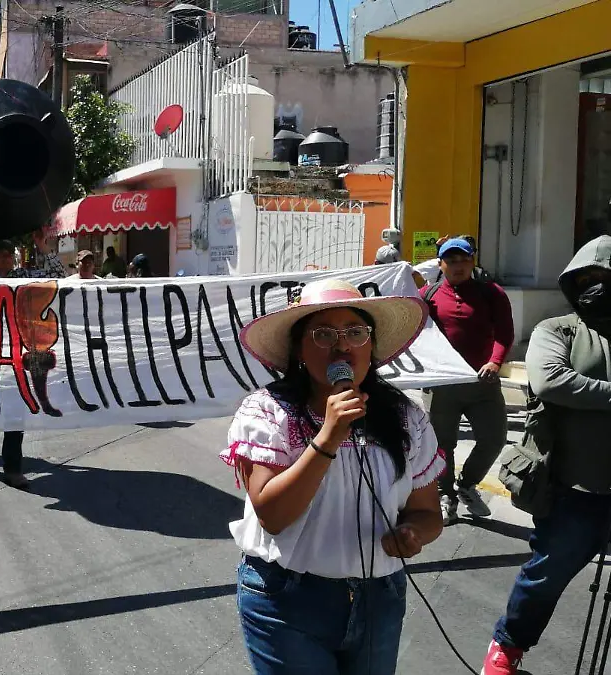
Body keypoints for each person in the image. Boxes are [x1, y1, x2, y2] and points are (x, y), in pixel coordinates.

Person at [224, 278, 445, 675]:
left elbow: (428, 513)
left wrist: (413, 533)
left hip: (380, 598)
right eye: (323, 334)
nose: (342, 346)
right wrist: (328, 435)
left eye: (355, 333)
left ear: (371, 346)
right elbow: (272, 514)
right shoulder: (266, 412)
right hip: (286, 602)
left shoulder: (405, 417)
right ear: (299, 350)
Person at [482, 236, 611, 674]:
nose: (596, 286)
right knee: (544, 578)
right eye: (586, 280)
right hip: (573, 490)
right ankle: (507, 648)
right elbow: (553, 380)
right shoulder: (557, 330)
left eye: (604, 278)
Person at [421, 237, 514, 523]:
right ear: (440, 264)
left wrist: (495, 362)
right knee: (442, 444)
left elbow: (505, 333)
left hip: (482, 382)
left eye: (463, 259)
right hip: (442, 386)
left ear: (472, 261)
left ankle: (467, 484)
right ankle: (445, 494)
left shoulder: (491, 293)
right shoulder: (427, 294)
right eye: (451, 260)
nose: (458, 266)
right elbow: (412, 332)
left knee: (494, 438)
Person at [0, 231, 65, 489]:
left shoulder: (24, 277)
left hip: (19, 354)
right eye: (2, 255)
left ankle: (13, 468)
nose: (8, 259)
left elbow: (58, 277)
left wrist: (42, 247)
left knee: (14, 409)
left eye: (11, 255)